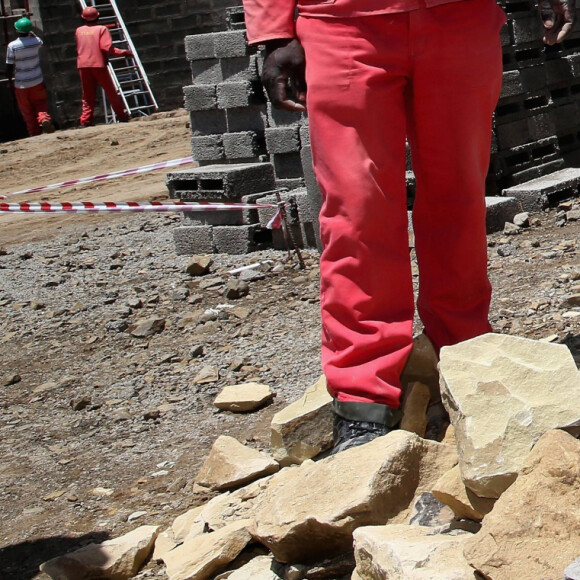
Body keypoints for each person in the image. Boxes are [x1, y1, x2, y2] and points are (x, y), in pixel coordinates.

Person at [242, 0, 577, 453]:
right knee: (357, 209)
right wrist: (272, 33)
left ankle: (464, 352)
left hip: (458, 18)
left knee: (458, 194)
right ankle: (364, 396)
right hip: (344, 26)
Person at [75, 6, 133, 127]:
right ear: (98, 17)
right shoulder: (102, 29)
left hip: (83, 65)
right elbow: (106, 47)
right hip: (98, 65)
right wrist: (123, 52)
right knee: (111, 91)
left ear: (83, 18)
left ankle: (85, 121)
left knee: (87, 95)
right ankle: (121, 116)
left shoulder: (79, 30)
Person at [5, 17, 54, 137]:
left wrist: (10, 80)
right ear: (30, 30)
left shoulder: (13, 46)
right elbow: (40, 41)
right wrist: (33, 34)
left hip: (21, 84)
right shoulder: (36, 41)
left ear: (17, 30)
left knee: (26, 110)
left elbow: (9, 65)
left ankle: (34, 132)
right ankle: (43, 119)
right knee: (40, 103)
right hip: (37, 80)